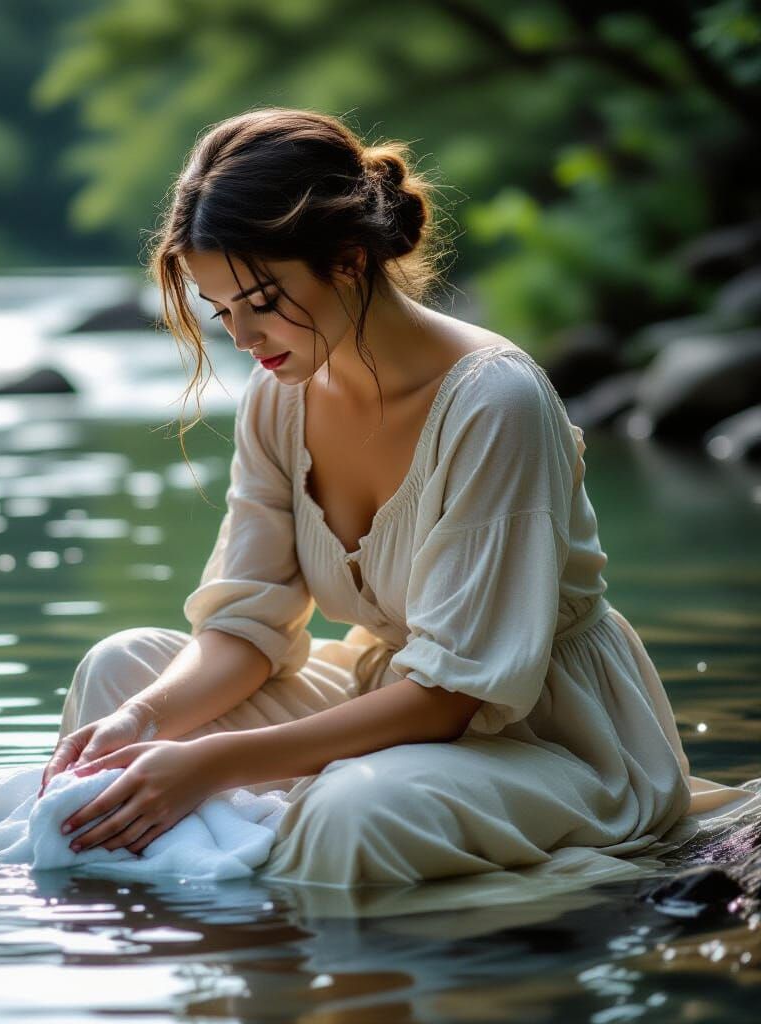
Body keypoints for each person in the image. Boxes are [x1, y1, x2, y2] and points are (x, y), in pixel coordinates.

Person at [39, 107, 757, 888]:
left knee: (353, 813)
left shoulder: (495, 401)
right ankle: (193, 951)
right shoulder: (280, 394)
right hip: (384, 691)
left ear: (348, 259)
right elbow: (248, 627)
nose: (244, 338)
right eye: (225, 312)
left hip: (539, 736)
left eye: (264, 300)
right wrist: (141, 724)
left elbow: (452, 698)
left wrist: (209, 763)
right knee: (119, 674)